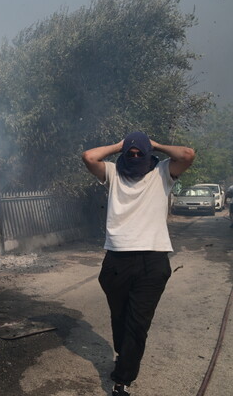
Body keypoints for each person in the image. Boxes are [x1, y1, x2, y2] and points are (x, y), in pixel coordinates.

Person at [81, 132, 195, 396]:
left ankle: (122, 380)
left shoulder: (162, 172)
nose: (134, 157)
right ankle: (126, 356)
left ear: (149, 155)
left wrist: (152, 144)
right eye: (129, 154)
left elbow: (187, 154)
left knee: (137, 324)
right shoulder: (113, 173)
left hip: (152, 261)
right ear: (123, 155)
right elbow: (89, 156)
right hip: (116, 260)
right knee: (120, 319)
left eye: (139, 154)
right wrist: (123, 145)